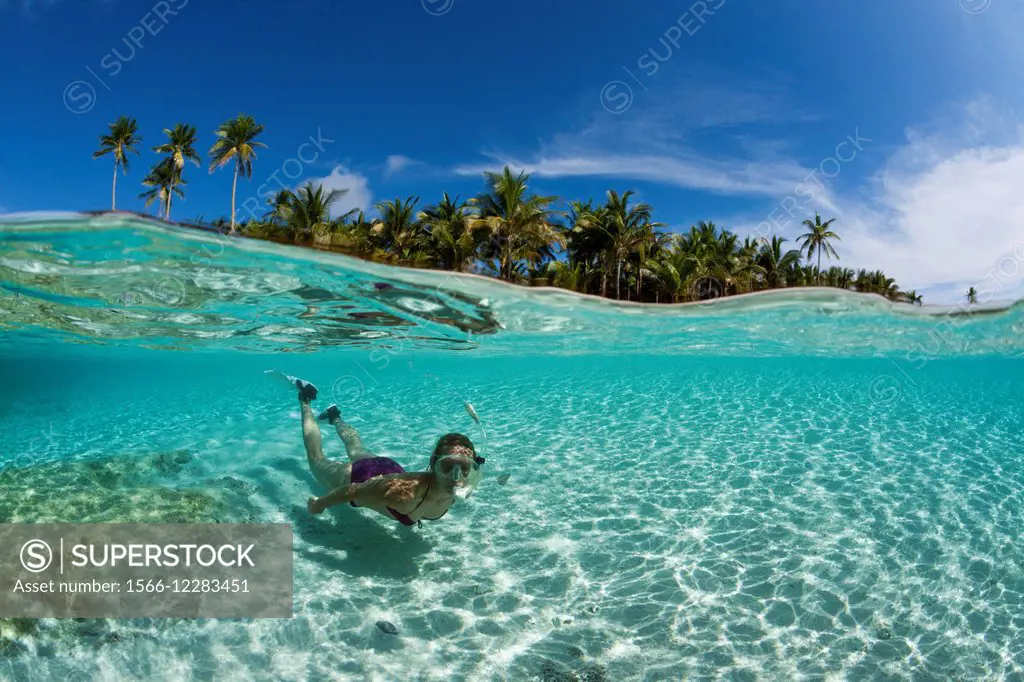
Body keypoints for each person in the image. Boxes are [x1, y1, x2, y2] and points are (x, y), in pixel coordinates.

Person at [290, 377, 484, 527]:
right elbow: (352, 491)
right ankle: (305, 398)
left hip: (388, 467)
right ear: (434, 465)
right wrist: (320, 503)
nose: (456, 477)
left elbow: (473, 472)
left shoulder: (466, 484)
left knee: (356, 448)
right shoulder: (405, 496)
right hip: (356, 477)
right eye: (447, 466)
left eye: (465, 467)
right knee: (316, 459)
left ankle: (334, 416)